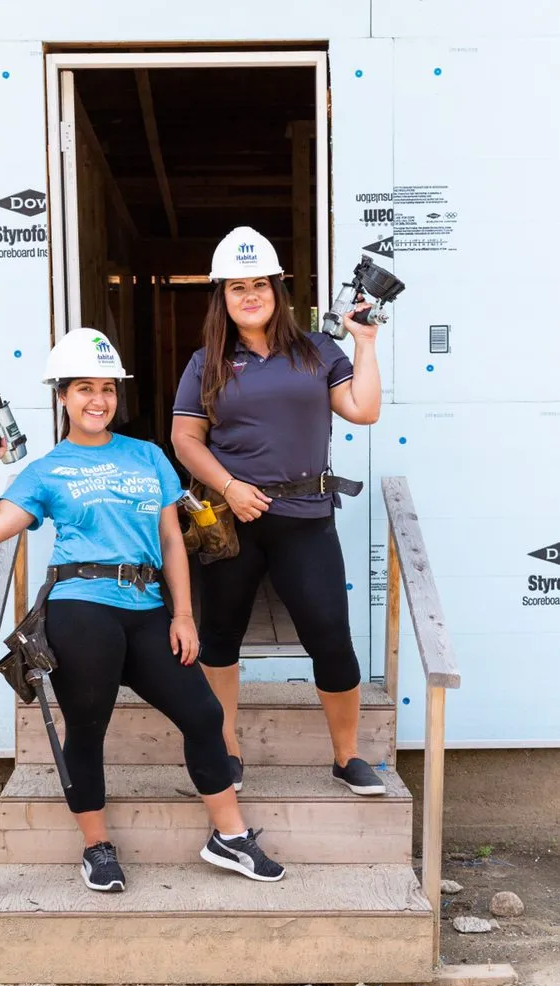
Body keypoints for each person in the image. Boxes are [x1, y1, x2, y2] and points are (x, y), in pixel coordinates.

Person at [0, 327, 285, 892]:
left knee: (204, 715)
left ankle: (229, 837)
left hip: (148, 607)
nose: (98, 400)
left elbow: (170, 542)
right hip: (80, 606)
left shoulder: (147, 456)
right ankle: (97, 847)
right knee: (87, 731)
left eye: (108, 389)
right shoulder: (46, 469)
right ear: (62, 396)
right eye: (84, 388)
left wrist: (183, 616)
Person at [171, 226, 386, 797]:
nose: (250, 295)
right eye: (237, 286)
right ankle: (228, 748)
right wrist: (230, 485)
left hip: (306, 519)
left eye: (259, 284)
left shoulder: (318, 349)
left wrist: (364, 342)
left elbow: (363, 409)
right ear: (222, 295)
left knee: (331, 640)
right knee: (220, 638)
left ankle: (346, 757)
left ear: (277, 290)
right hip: (233, 521)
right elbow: (185, 437)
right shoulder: (207, 362)